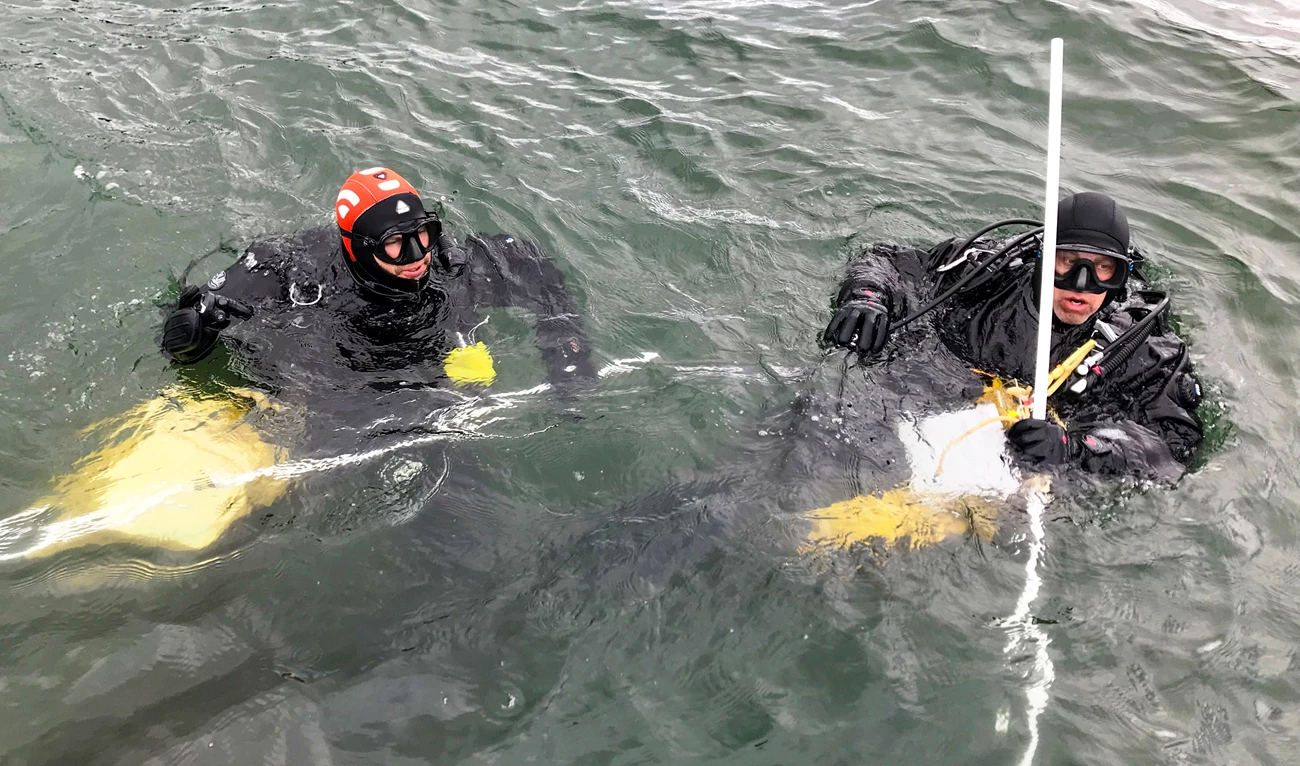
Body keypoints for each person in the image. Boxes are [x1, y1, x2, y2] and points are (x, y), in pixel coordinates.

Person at [821, 192, 1203, 481]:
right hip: (949, 385)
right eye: (1067, 262)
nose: (1081, 285)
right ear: (1042, 255)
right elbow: (890, 261)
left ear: (1120, 276)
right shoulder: (988, 277)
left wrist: (1078, 449)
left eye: (1103, 270)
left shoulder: (1140, 346)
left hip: (1046, 440)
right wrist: (868, 297)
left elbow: (1175, 443)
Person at [160, 166, 595, 397]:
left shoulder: (450, 262)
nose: (417, 257)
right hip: (332, 389)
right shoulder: (291, 270)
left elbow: (539, 272)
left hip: (428, 382)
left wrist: (568, 359)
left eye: (423, 234)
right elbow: (181, 334)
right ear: (358, 246)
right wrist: (195, 333)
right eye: (394, 245)